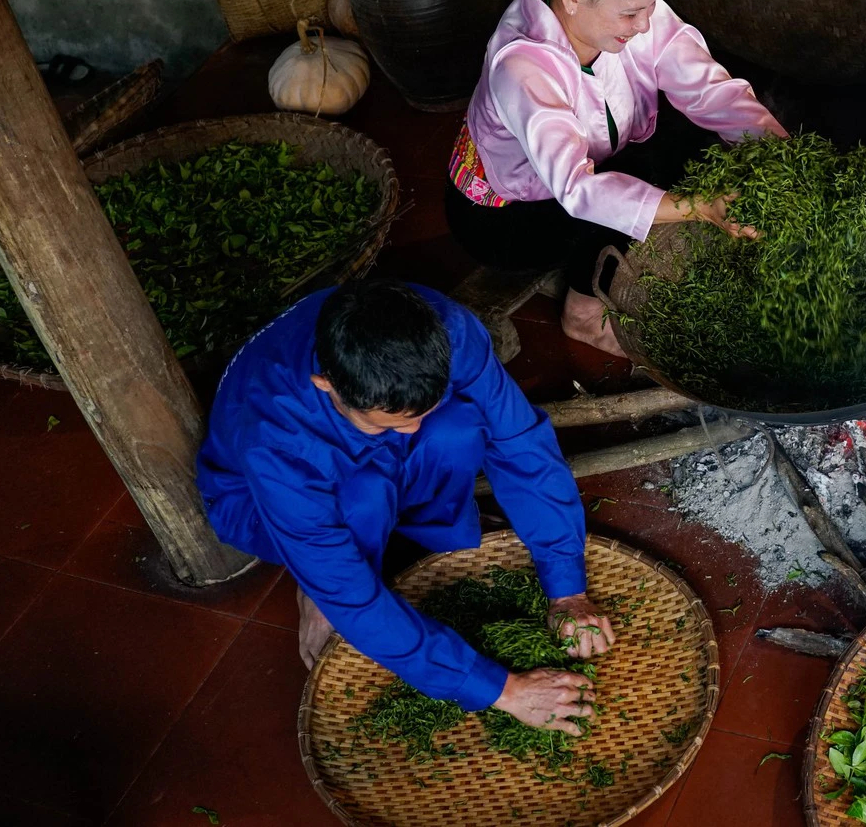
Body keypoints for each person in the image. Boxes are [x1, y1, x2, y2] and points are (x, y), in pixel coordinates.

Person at [197, 278, 611, 735]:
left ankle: (418, 532)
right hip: (257, 501)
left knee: (455, 428)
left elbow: (522, 447)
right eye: (390, 423)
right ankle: (315, 584)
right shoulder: (275, 439)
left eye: (419, 413)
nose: (412, 432)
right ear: (326, 385)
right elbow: (354, 598)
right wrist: (506, 691)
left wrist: (566, 588)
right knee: (362, 502)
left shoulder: (449, 329)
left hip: (355, 463)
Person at [446, 0, 786, 356]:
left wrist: (779, 151)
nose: (644, 25)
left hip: (594, 160)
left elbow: (708, 89)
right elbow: (578, 190)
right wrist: (699, 207)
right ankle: (583, 316)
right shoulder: (523, 65)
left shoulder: (627, 11)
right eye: (630, 14)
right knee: (636, 180)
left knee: (701, 131)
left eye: (651, 6)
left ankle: (643, 233)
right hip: (503, 219)